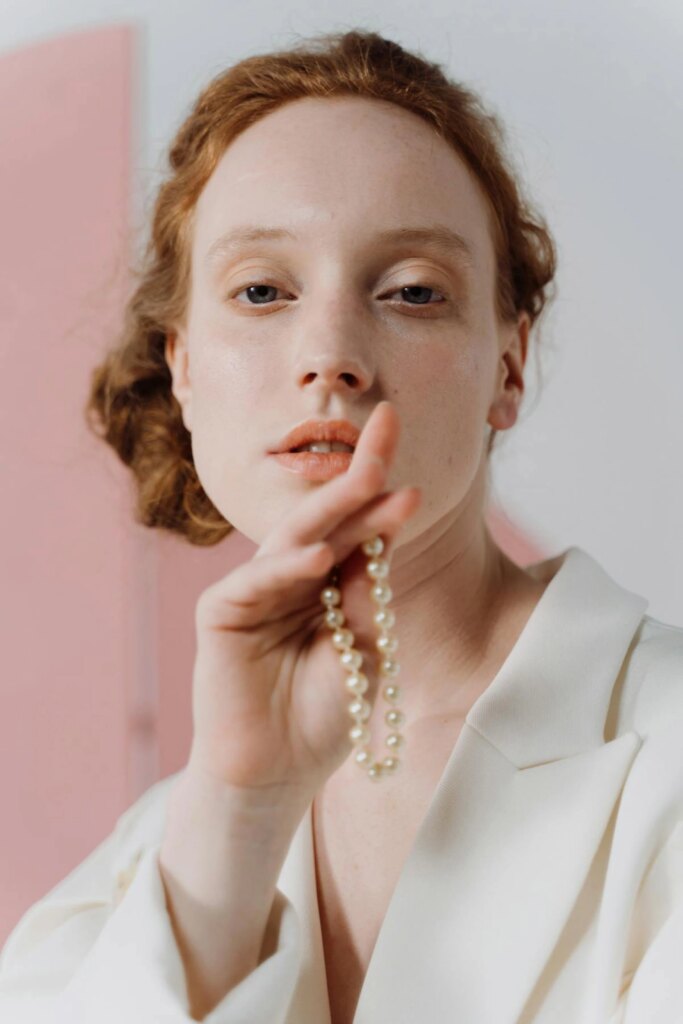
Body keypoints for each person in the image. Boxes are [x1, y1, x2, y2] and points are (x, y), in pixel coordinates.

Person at [1, 27, 681, 1024]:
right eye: (260, 291)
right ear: (183, 366)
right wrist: (238, 816)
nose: (329, 354)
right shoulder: (138, 882)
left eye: (410, 292)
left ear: (507, 365)